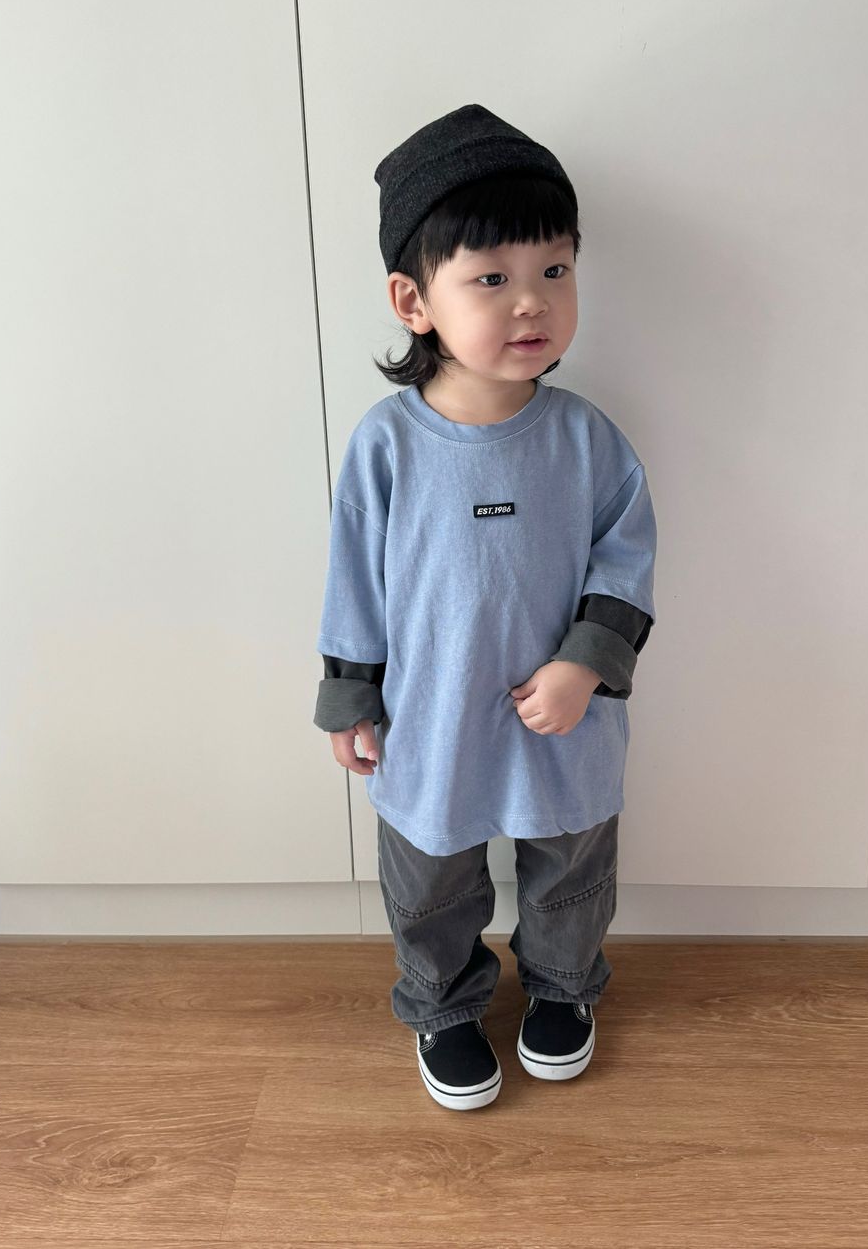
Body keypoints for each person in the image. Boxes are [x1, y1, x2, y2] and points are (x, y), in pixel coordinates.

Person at [313, 104, 658, 1111]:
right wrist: (350, 692)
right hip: (431, 714)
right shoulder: (387, 445)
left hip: (565, 714)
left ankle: (562, 986)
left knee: (570, 864)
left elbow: (627, 551)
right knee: (431, 874)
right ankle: (444, 1003)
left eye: (554, 268)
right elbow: (354, 574)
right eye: (492, 277)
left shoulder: (588, 440)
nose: (531, 300)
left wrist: (584, 661)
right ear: (413, 298)